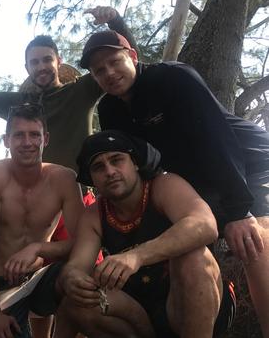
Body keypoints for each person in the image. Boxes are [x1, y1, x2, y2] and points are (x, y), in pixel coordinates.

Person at [79, 29, 269, 335]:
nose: (109, 73)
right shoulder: (109, 109)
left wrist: (237, 210)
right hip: (193, 177)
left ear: (133, 56)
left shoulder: (173, 78)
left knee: (253, 240)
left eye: (115, 62)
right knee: (186, 243)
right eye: (99, 70)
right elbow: (136, 164)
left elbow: (216, 138)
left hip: (247, 159)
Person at [60, 130, 234, 337]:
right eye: (99, 167)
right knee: (73, 303)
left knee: (193, 257)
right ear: (92, 178)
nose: (109, 171)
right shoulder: (94, 214)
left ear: (135, 163)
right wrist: (73, 279)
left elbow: (205, 225)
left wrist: (136, 255)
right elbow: (77, 265)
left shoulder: (164, 185)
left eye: (117, 160)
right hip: (138, 309)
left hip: (193, 302)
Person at [0, 6, 135, 171]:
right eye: (34, 62)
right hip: (36, 192)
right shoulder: (19, 105)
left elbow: (129, 62)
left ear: (58, 61)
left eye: (47, 60)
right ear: (27, 68)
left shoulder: (80, 91)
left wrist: (115, 21)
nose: (41, 67)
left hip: (80, 191)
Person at [0, 103, 84, 338]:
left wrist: (37, 248)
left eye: (34, 135)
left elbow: (81, 242)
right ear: (6, 140)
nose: (27, 143)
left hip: (38, 279)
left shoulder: (64, 179)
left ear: (46, 138)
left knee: (77, 278)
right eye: (19, 135)